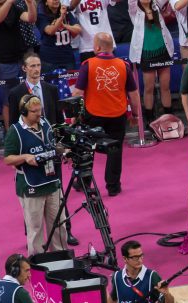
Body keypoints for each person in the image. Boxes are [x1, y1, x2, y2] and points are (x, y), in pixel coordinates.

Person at [72, 32, 138, 197]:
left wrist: (74, 114)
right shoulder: (124, 65)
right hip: (118, 114)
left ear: (97, 47)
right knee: (115, 151)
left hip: (93, 114)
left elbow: (78, 92)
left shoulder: (88, 64)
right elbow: (134, 92)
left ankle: (83, 182)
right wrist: (135, 114)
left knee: (87, 148)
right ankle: (113, 186)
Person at [3, 95, 67, 256]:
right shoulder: (15, 131)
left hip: (52, 182)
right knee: (35, 228)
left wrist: (64, 150)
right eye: (34, 111)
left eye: (40, 110)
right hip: (31, 186)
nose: (39, 114)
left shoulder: (45, 124)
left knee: (59, 224)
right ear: (24, 112)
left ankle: (61, 257)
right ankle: (38, 262)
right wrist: (24, 157)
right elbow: (7, 159)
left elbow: (53, 145)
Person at [0, 0, 36, 128]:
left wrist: (29, 3)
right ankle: (10, 133)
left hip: (22, 58)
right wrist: (10, 1)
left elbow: (30, 18)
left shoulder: (14, 8)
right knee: (9, 100)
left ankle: (33, 129)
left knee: (30, 96)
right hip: (3, 61)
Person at [128, 0, 175, 124]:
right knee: (149, 88)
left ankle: (169, 117)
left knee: (166, 87)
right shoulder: (134, 9)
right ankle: (149, 119)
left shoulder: (156, 5)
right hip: (146, 53)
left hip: (163, 50)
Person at [7, 53, 62, 128]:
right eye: (32, 66)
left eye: (38, 65)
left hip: (50, 134)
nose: (36, 69)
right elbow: (13, 123)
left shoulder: (52, 89)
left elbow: (59, 118)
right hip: (28, 136)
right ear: (24, 68)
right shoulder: (15, 93)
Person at [36, 0, 80, 74]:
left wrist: (65, 25)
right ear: (46, 2)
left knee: (70, 84)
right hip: (49, 60)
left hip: (68, 58)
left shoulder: (67, 13)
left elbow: (78, 29)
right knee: (50, 85)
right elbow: (50, 31)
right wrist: (62, 17)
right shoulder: (41, 15)